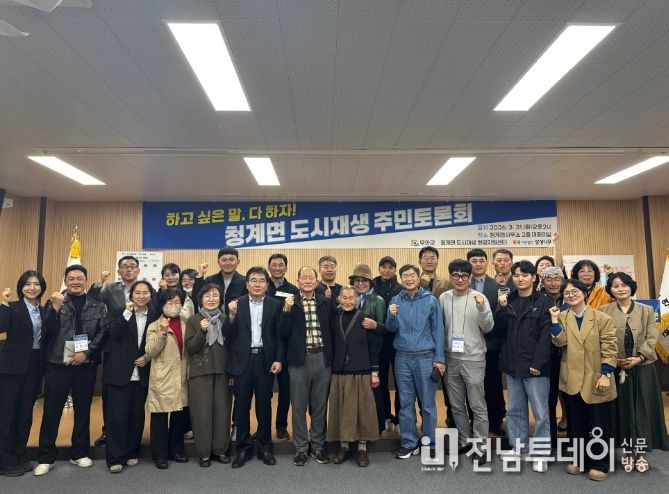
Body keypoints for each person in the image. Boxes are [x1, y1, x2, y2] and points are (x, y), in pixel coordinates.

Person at [35, 265, 109, 476]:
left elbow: (104, 330)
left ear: (86, 280)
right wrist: (55, 308)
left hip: (85, 364)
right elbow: (47, 331)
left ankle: (79, 453)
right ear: (65, 281)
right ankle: (46, 457)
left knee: (83, 410)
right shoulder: (56, 301)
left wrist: (87, 353)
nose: (75, 282)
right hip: (58, 363)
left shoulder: (97, 304)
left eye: (79, 278)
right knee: (52, 411)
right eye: (71, 278)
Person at [600, 272, 669, 469]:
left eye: (624, 285)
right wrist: (615, 360)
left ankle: (641, 454)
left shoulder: (646, 310)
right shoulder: (603, 310)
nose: (620, 289)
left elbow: (652, 336)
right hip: (616, 369)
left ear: (631, 287)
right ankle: (628, 453)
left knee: (642, 411)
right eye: (615, 286)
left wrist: (639, 357)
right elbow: (601, 338)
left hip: (643, 368)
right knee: (623, 411)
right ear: (610, 290)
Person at [550, 278, 617, 481]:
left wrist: (606, 373)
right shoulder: (562, 316)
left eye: (575, 291)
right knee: (576, 422)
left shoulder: (601, 317)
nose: (571, 295)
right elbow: (560, 342)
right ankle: (579, 460)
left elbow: (610, 347)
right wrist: (554, 321)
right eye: (567, 293)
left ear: (584, 293)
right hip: (572, 378)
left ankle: (599, 464)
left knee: (598, 423)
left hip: (596, 377)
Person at [223, 268, 283, 468]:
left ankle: (265, 447)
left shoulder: (275, 305)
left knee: (264, 406)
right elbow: (227, 334)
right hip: (242, 361)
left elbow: (279, 336)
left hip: (265, 361)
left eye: (261, 280)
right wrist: (231, 316)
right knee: (241, 407)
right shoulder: (236, 304)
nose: (257, 284)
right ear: (247, 284)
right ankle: (243, 448)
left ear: (267, 284)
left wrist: (278, 359)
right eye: (253, 280)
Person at [496, 261, 552, 472]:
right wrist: (502, 308)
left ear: (534, 278)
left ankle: (541, 454)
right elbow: (498, 330)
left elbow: (546, 336)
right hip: (513, 365)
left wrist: (538, 363)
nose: (520, 279)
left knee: (541, 413)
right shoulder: (508, 300)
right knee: (515, 410)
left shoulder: (544, 301)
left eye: (525, 275)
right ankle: (519, 448)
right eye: (517, 275)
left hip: (536, 367)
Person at [279, 266, 335, 466]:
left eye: (311, 277)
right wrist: (286, 310)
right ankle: (301, 448)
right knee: (298, 406)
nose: (308, 280)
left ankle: (318, 446)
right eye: (304, 277)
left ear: (317, 281)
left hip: (322, 358)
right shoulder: (290, 302)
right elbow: (282, 332)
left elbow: (333, 330)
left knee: (320, 406)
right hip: (298, 361)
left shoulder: (325, 302)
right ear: (298, 281)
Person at [386, 264, 445, 459]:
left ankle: (430, 442)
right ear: (401, 279)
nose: (409, 279)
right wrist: (391, 315)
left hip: (425, 357)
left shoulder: (430, 299)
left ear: (419, 278)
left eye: (412, 275)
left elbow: (438, 330)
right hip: (402, 357)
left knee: (427, 404)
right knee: (405, 403)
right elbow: (391, 328)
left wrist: (439, 358)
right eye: (405, 276)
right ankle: (409, 443)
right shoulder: (395, 300)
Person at [439, 259, 493, 461]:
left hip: (473, 358)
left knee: (477, 405)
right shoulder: (443, 298)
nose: (460, 279)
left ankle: (480, 445)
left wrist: (482, 309)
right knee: (456, 405)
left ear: (470, 278)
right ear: (450, 277)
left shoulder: (480, 297)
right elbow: (439, 327)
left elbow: (488, 327)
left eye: (464, 276)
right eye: (456, 275)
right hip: (450, 358)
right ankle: (464, 441)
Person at [89, 255, 143, 448]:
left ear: (138, 270)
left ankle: (130, 436)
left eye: (133, 266)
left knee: (135, 396)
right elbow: (92, 300)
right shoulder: (110, 288)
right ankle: (108, 431)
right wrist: (99, 282)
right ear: (119, 271)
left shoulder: (145, 289)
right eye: (124, 266)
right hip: (115, 345)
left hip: (138, 347)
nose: (129, 269)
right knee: (111, 395)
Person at [104, 280, 158, 473]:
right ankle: (115, 458)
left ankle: (132, 451)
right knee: (116, 417)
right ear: (131, 295)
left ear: (151, 295)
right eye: (137, 293)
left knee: (136, 416)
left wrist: (148, 356)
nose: (141, 296)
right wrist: (127, 314)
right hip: (119, 373)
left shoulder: (155, 316)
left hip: (142, 372)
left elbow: (156, 342)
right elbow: (114, 335)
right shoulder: (119, 312)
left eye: (145, 293)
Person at [0, 271, 48, 476]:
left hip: (34, 366)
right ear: (21, 287)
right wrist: (3, 303)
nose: (32, 288)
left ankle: (19, 454)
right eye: (27, 284)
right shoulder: (12, 307)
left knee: (25, 413)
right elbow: (1, 327)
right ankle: (4, 460)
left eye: (36, 284)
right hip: (11, 368)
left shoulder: (43, 311)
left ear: (42, 288)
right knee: (6, 414)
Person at [327, 286, 381, 467]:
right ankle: (344, 447)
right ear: (339, 300)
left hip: (361, 370)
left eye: (351, 298)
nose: (348, 301)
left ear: (357, 300)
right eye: (344, 298)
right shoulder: (334, 318)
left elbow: (373, 347)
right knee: (342, 410)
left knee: (362, 412)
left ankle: (362, 449)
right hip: (340, 371)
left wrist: (374, 372)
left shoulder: (365, 318)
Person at [184, 283, 232, 468]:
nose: (211, 299)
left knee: (222, 412)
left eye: (215, 296)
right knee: (201, 414)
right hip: (199, 372)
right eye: (207, 296)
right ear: (200, 300)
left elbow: (234, 346)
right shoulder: (193, 320)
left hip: (223, 372)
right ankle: (204, 453)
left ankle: (220, 450)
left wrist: (233, 372)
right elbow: (191, 349)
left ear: (220, 299)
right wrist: (202, 331)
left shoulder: (226, 319)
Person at [145, 288, 190, 469]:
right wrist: (162, 334)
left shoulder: (187, 322)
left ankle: (176, 451)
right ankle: (159, 455)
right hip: (162, 377)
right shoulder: (154, 325)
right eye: (169, 302)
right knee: (160, 419)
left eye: (177, 302)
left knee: (179, 416)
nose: (173, 305)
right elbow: (151, 351)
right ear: (162, 305)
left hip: (182, 375)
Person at [467, 248, 504, 436]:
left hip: (491, 344)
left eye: (481, 260)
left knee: (493, 384)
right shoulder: (462, 285)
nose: (478, 264)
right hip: (468, 345)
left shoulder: (497, 286)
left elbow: (500, 315)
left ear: (487, 263)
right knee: (471, 385)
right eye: (474, 261)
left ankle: (495, 421)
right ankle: (473, 421)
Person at [349, 263, 386, 434]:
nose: (360, 284)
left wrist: (375, 325)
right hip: (354, 354)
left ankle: (378, 426)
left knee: (375, 391)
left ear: (370, 282)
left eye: (364, 280)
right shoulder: (349, 298)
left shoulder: (378, 300)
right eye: (357, 280)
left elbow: (385, 328)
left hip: (373, 353)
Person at [265, 253, 298, 440]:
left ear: (286, 268)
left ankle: (281, 426)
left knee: (285, 390)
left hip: (286, 345)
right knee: (265, 391)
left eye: (281, 265)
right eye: (274, 265)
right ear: (269, 267)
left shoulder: (293, 290)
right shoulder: (263, 286)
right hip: (266, 345)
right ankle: (263, 428)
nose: (277, 268)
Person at [539, 267, 569, 446]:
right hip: (546, 356)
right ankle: (550, 441)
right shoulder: (538, 300)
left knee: (570, 397)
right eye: (548, 279)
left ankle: (575, 441)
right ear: (542, 282)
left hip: (568, 355)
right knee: (548, 399)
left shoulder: (570, 298)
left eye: (557, 279)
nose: (553, 283)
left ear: (563, 281)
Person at [372, 256, 402, 432]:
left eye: (390, 267)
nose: (387, 270)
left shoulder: (401, 288)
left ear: (395, 270)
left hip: (397, 341)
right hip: (378, 341)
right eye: (383, 267)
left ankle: (399, 418)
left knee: (400, 382)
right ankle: (384, 416)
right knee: (380, 381)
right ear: (379, 269)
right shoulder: (372, 286)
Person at [195, 248, 248, 312]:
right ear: (218, 262)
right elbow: (198, 299)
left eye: (231, 260)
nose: (227, 263)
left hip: (237, 317)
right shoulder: (210, 280)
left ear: (238, 262)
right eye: (224, 260)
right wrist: (200, 275)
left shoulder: (245, 282)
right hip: (213, 317)